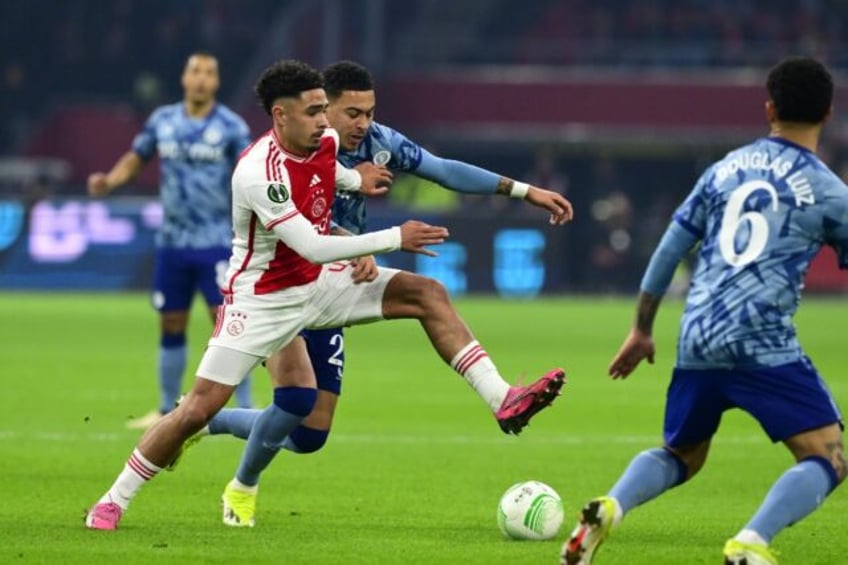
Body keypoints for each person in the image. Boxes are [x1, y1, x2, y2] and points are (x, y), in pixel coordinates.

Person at [84, 59, 566, 531]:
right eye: (317, 112)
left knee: (425, 295)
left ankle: (503, 398)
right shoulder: (257, 173)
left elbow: (334, 175)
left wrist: (358, 181)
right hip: (264, 300)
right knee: (202, 407)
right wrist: (395, 237)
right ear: (281, 115)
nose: (327, 123)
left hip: (321, 283)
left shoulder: (327, 141)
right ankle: (114, 500)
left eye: (326, 110)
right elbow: (311, 244)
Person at [561, 56, 846, 565]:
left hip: (697, 335)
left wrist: (641, 329)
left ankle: (611, 505)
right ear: (828, 112)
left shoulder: (723, 170)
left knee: (682, 454)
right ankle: (751, 542)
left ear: (769, 108)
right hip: (761, 340)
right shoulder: (828, 191)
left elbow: (669, 252)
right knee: (828, 455)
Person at [87, 51, 254, 428]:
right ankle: (165, 409)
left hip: (215, 241)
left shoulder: (230, 126)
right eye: (195, 71)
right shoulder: (163, 121)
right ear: (184, 78)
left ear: (216, 82)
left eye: (208, 73)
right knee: (171, 322)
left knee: (230, 325)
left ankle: (244, 405)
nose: (200, 79)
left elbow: (249, 171)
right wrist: (110, 181)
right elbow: (137, 157)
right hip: (172, 242)